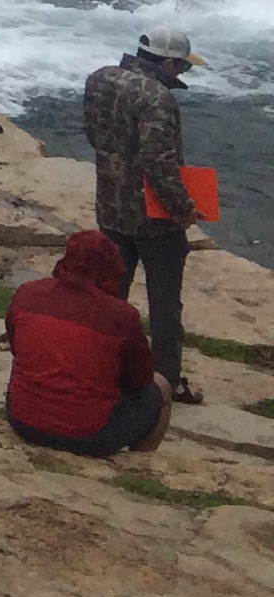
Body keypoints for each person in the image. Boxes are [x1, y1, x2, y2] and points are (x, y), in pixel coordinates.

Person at [85, 25, 206, 403]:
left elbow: (94, 135)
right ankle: (165, 382)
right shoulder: (157, 98)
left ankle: (102, 367)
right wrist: (183, 207)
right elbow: (159, 160)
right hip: (155, 220)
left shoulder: (100, 79)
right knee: (165, 304)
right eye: (182, 68)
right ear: (168, 63)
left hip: (110, 206)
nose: (182, 75)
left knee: (109, 295)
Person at [3, 230, 171, 457]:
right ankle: (137, 467)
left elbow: (16, 348)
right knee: (161, 387)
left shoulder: (27, 294)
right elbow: (141, 380)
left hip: (22, 420)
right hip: (89, 435)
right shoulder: (121, 315)